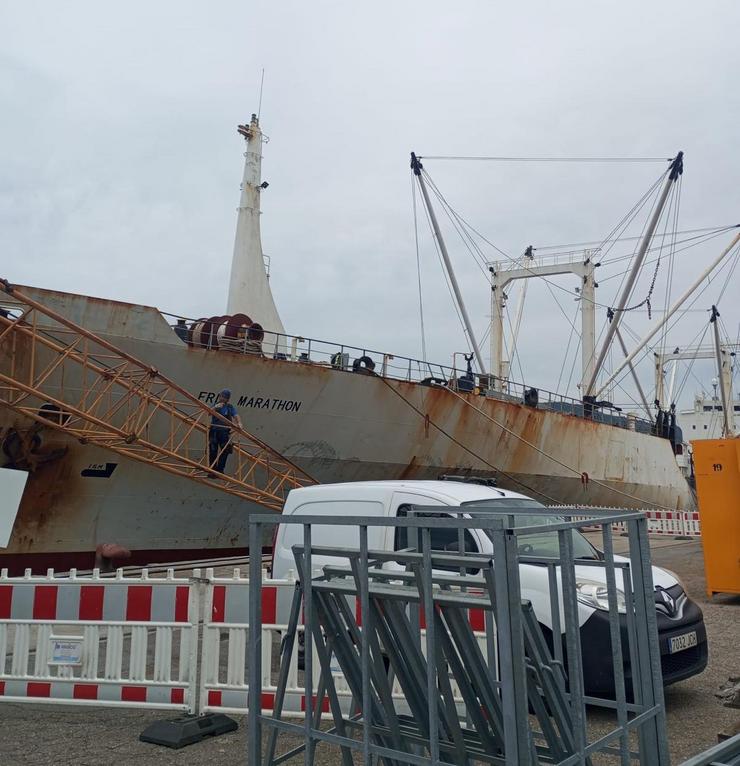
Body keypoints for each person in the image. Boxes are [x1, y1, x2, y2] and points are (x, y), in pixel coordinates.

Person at [208, 389, 242, 473]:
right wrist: (215, 408)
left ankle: (220, 469)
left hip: (224, 432)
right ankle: (212, 469)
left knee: (225, 450)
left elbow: (236, 415)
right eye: (221, 396)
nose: (221, 398)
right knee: (213, 450)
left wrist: (239, 423)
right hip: (214, 431)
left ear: (227, 399)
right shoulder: (216, 405)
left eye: (224, 397)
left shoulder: (229, 407)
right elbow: (209, 413)